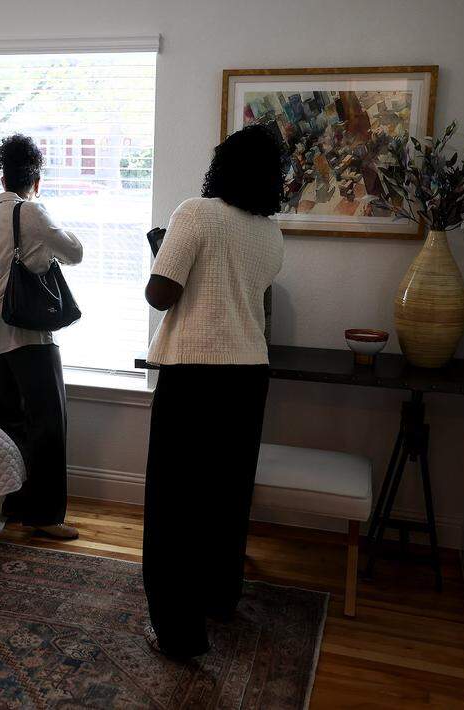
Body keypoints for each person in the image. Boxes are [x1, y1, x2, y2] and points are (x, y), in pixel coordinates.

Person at [140, 122, 286, 659]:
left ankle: (178, 635)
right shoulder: (271, 233)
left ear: (221, 166)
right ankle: (219, 600)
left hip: (196, 376)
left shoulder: (196, 213)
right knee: (226, 496)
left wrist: (158, 255)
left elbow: (162, 294)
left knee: (174, 506)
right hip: (250, 375)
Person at [0, 134, 84, 540]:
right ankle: (45, 517)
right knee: (48, 425)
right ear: (36, 179)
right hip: (29, 337)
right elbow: (76, 252)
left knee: (10, 425)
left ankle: (13, 505)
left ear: (3, 175)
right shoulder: (33, 213)